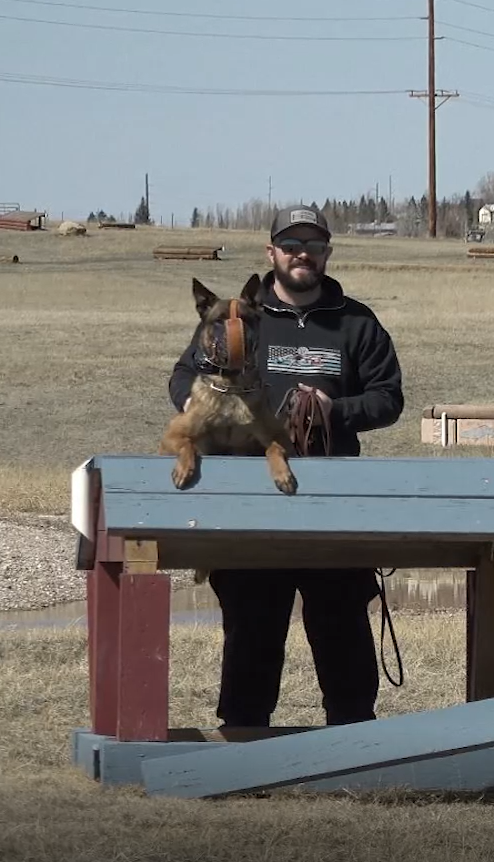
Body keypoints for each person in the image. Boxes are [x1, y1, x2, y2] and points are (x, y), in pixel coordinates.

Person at [167, 204, 405, 729]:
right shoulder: (237, 315)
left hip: (331, 497)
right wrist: (202, 402)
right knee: (253, 626)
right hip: (250, 496)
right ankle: (244, 747)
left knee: (341, 625)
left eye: (313, 245)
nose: (302, 254)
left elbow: (389, 399)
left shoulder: (357, 322)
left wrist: (334, 410)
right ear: (271, 252)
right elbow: (183, 377)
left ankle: (353, 747)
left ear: (327, 253)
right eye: (291, 245)